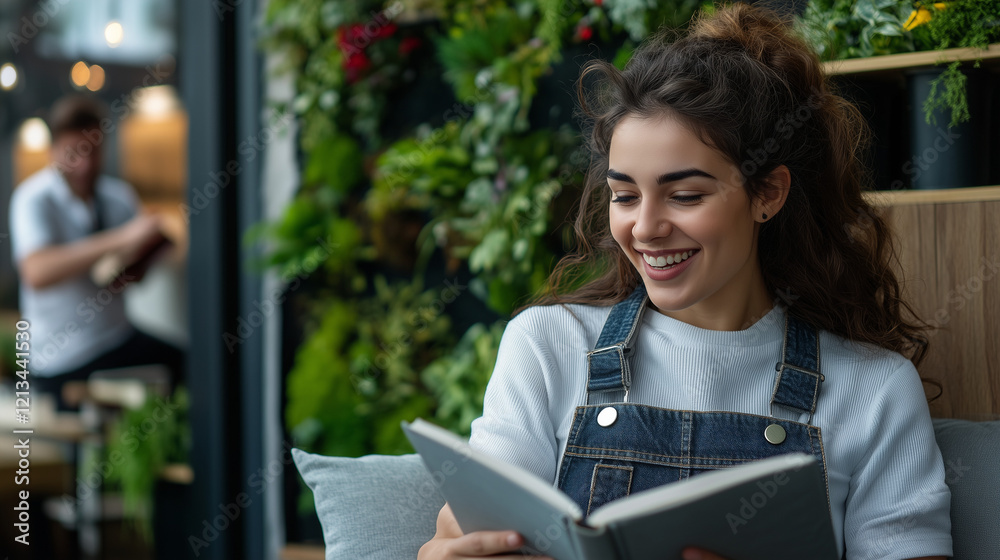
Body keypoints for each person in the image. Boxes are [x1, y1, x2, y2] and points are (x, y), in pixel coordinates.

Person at [419, 3, 952, 560]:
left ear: (768, 194)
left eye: (685, 195)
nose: (645, 228)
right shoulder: (547, 346)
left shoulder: (874, 390)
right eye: (625, 196)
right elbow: (469, 536)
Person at [10, 95, 184, 409]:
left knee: (190, 367)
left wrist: (138, 261)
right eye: (73, 153)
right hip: (62, 358)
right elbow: (37, 272)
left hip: (116, 338)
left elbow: (131, 275)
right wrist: (121, 237)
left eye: (93, 151)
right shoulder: (33, 199)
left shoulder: (118, 197)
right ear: (53, 151)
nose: (85, 164)